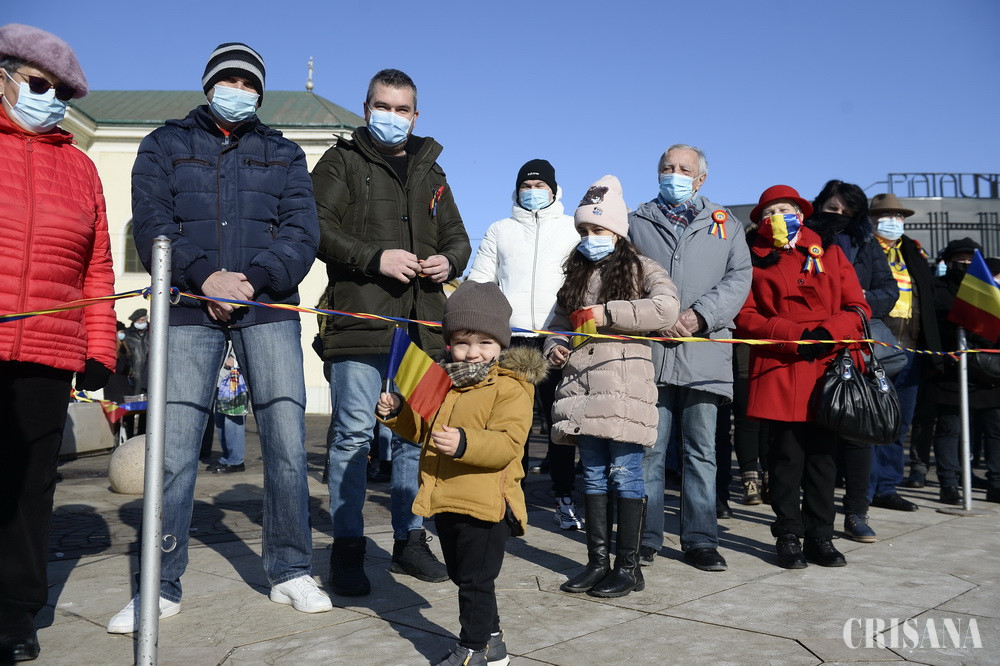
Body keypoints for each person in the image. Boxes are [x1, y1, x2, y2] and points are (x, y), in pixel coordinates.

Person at [110, 41, 331, 634]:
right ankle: (160, 584)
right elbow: (152, 221)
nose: (240, 90)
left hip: (268, 307)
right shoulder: (164, 144)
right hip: (188, 307)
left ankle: (291, 569)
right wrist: (204, 276)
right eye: (230, 79)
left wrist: (252, 281)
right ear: (209, 84)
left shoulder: (283, 151)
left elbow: (301, 231)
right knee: (175, 448)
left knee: (286, 444)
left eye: (250, 83)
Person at [312, 68, 471, 596]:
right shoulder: (341, 161)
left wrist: (449, 261)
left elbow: (458, 237)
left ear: (415, 115)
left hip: (421, 327)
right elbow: (316, 228)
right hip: (360, 320)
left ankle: (410, 540)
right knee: (353, 436)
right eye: (384, 106)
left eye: (402, 109)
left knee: (413, 437)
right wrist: (374, 257)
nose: (393, 116)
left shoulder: (432, 170)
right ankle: (348, 548)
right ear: (366, 108)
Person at [0, 23, 115, 663]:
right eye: (40, 85)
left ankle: (14, 614)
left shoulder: (81, 168)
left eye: (62, 93)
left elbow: (97, 268)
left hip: (47, 351)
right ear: (5, 77)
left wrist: (100, 347)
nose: (52, 100)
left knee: (29, 488)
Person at [377, 280, 544, 666]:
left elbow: (508, 444)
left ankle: (473, 650)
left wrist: (466, 442)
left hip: (486, 506)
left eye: (485, 342)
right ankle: (494, 641)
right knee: (464, 576)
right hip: (447, 499)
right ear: (449, 342)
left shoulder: (511, 388)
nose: (473, 352)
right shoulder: (442, 382)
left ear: (501, 345)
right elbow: (423, 431)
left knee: (475, 583)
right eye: (462, 342)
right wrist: (397, 413)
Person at [546, 176, 679, 598]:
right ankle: (597, 563)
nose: (590, 238)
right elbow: (558, 320)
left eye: (598, 229)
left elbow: (666, 308)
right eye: (584, 230)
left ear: (618, 231)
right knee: (593, 475)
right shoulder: (576, 272)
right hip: (582, 391)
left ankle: (629, 567)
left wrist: (606, 313)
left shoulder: (643, 267)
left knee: (625, 475)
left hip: (624, 391)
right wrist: (554, 345)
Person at [628, 144, 752, 572]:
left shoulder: (727, 224)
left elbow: (740, 278)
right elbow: (622, 277)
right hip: (651, 353)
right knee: (649, 449)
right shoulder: (635, 222)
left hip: (704, 352)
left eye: (684, 168)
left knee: (702, 452)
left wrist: (699, 316)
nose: (674, 174)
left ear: (700, 179)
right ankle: (644, 536)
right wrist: (655, 317)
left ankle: (700, 539)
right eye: (668, 167)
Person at [735, 185, 869, 569]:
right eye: (769, 211)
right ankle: (788, 535)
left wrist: (827, 333)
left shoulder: (830, 251)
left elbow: (858, 307)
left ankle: (821, 537)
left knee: (824, 459)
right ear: (760, 221)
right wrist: (794, 336)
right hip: (780, 366)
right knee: (785, 459)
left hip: (828, 366)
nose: (778, 216)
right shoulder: (751, 259)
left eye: (785, 208)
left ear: (800, 212)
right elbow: (745, 316)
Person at [466, 158, 583, 531]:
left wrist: (572, 331)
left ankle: (564, 497)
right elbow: (480, 281)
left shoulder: (572, 229)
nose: (533, 192)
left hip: (556, 337)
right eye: (526, 187)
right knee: (509, 422)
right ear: (516, 191)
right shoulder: (500, 229)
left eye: (540, 186)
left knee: (559, 423)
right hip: (512, 340)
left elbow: (581, 282)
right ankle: (506, 498)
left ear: (554, 190)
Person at [805, 180, 899, 543]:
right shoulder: (805, 238)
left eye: (848, 211)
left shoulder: (866, 242)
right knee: (820, 433)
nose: (839, 215)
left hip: (857, 343)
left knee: (859, 431)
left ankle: (857, 512)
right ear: (820, 206)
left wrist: (856, 301)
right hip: (816, 343)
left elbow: (888, 291)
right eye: (833, 208)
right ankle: (818, 515)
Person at [868, 193, 941, 505]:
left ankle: (887, 487)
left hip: (911, 350)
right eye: (887, 216)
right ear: (871, 219)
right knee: (871, 419)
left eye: (899, 216)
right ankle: (865, 489)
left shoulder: (912, 250)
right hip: (876, 347)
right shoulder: (864, 248)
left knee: (899, 422)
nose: (894, 221)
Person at [928, 238, 1000, 505]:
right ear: (948, 261)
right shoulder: (937, 288)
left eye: (971, 260)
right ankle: (949, 484)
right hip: (951, 371)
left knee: (995, 429)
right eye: (960, 259)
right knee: (950, 428)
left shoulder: (988, 288)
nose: (965, 264)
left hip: (987, 371)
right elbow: (933, 325)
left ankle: (996, 483)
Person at [209, 349, 248, 474]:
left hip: (234, 378)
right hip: (220, 379)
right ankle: (226, 457)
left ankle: (236, 460)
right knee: (220, 420)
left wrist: (235, 359)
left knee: (232, 420)